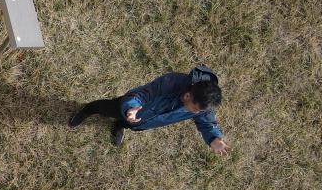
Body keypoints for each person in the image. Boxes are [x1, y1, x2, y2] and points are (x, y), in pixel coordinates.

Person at [69, 64, 227, 152]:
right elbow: (144, 93)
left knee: (130, 124)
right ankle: (86, 110)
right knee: (105, 108)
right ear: (187, 96)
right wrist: (133, 106)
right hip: (132, 106)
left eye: (201, 111)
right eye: (196, 109)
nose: (197, 114)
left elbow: (207, 123)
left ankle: (120, 125)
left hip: (145, 121)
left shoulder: (203, 105)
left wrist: (213, 138)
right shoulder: (171, 82)